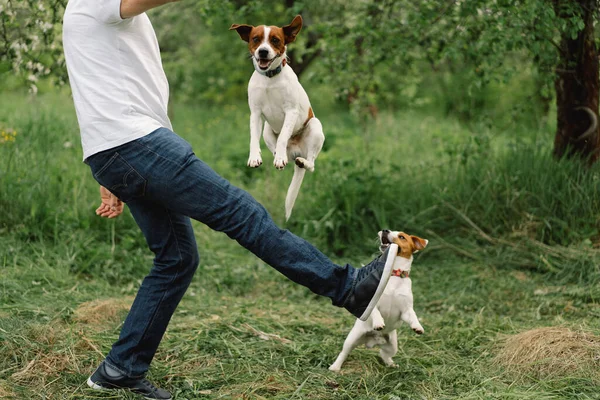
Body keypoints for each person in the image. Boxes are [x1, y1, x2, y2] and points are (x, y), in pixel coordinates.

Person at [62, 1, 392, 399]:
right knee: (242, 213)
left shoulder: (91, 11)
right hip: (134, 143)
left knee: (177, 258)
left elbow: (103, 79)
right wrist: (118, 157)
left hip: (121, 150)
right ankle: (348, 288)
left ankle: (120, 369)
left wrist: (112, 167)